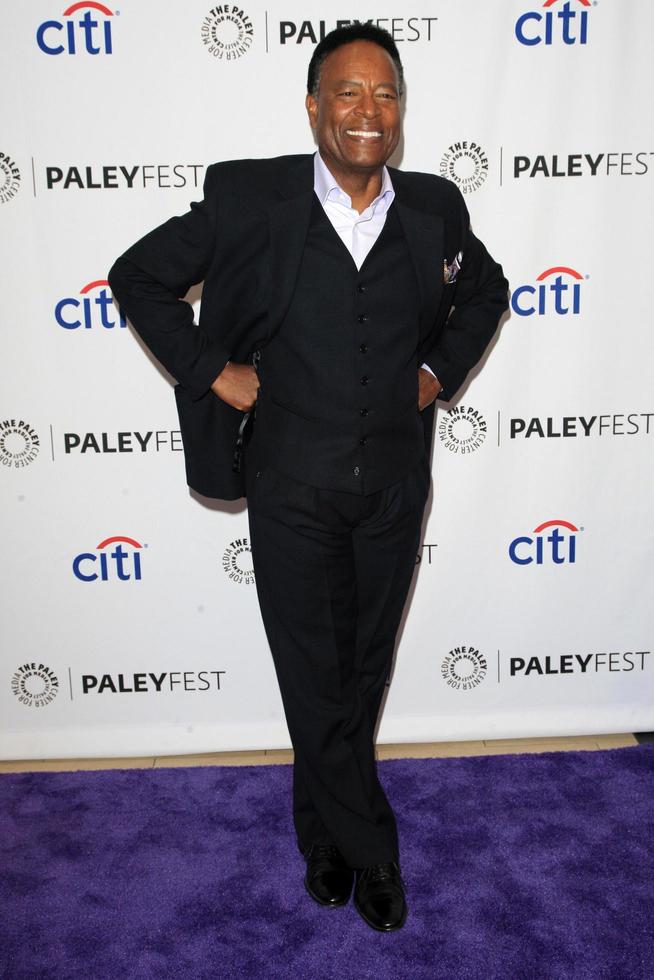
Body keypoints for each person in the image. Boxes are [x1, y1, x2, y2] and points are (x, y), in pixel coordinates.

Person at [108, 23, 508, 932]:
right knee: (313, 674)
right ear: (314, 106)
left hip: (395, 489)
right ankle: (371, 851)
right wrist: (215, 371)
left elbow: (487, 291)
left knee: (360, 673)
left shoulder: (436, 209)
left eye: (386, 94)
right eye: (348, 93)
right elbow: (138, 275)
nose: (369, 112)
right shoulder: (252, 200)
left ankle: (319, 832)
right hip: (291, 486)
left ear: (401, 109)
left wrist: (437, 373)